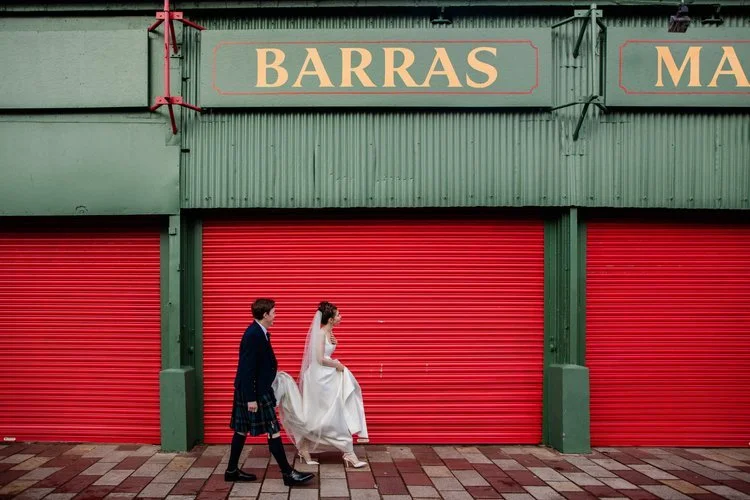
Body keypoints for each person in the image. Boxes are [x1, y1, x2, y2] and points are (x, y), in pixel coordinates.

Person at [225, 298, 314, 487]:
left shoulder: (259, 332)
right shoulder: (253, 335)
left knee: (242, 430)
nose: (276, 316)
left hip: (256, 389)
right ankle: (288, 474)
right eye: (274, 313)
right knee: (272, 430)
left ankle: (231, 471)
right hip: (254, 391)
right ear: (265, 314)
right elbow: (246, 368)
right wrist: (251, 398)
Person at [273, 301, 369, 468]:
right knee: (324, 414)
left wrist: (334, 343)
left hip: (327, 376)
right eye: (338, 314)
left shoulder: (328, 332)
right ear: (331, 319)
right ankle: (344, 452)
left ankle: (310, 448)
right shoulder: (319, 334)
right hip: (320, 378)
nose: (341, 317)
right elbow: (319, 359)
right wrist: (338, 365)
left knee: (330, 412)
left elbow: (326, 352)